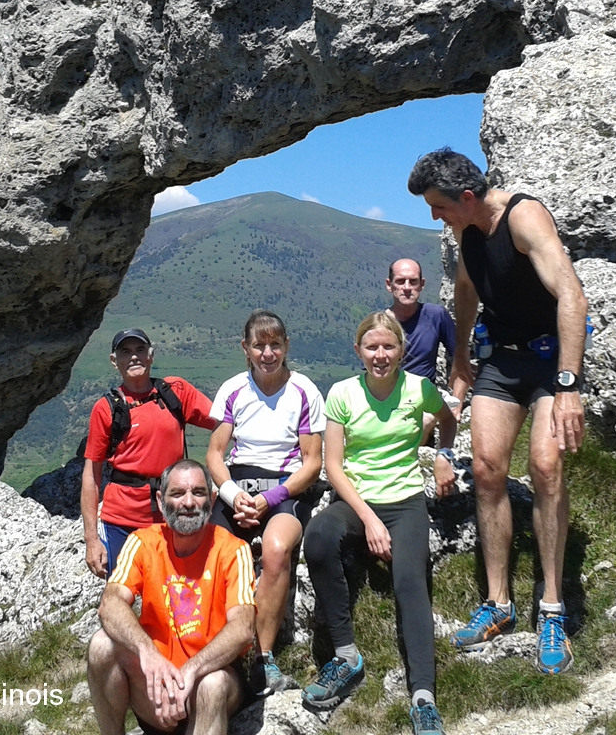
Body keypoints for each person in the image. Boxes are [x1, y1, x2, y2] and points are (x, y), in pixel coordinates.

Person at [407, 148, 588, 675]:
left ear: (467, 196)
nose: (435, 216)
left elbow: (571, 296)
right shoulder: (466, 232)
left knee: (546, 468)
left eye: (439, 206)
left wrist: (569, 386)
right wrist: (461, 355)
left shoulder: (523, 217)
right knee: (487, 470)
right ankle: (498, 602)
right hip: (502, 360)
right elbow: (466, 289)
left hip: (551, 361)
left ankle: (551, 608)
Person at [301, 311, 457, 735]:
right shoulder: (342, 394)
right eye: (372, 347)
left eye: (389, 346)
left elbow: (447, 418)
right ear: (359, 351)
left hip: (406, 502)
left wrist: (444, 455)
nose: (381, 355)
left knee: (410, 581)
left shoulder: (419, 389)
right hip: (358, 501)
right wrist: (370, 520)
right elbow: (334, 466)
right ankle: (346, 657)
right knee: (318, 537)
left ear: (401, 350)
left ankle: (423, 697)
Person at [87, 459, 256, 735]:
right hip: (155, 682)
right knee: (101, 645)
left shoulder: (234, 550)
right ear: (160, 500)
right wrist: (148, 654)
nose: (188, 502)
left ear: (212, 499)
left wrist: (191, 671)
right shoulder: (143, 542)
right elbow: (111, 603)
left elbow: (243, 627)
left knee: (212, 684)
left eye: (198, 493)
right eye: (177, 493)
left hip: (208, 682)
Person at [205, 310, 324, 696]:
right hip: (238, 487)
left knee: (275, 550)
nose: (268, 353)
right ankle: (214, 648)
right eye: (259, 345)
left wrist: (269, 498)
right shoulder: (233, 390)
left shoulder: (304, 390)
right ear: (245, 348)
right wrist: (232, 495)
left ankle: (263, 658)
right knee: (214, 555)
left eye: (275, 344)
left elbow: (312, 462)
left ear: (286, 345)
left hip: (285, 489)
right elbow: (215, 453)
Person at [81, 329, 220, 578]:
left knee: (176, 591)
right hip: (122, 520)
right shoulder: (106, 409)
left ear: (151, 355)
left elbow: (223, 423)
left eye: (140, 350)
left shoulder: (175, 392)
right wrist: (92, 540)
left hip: (173, 514)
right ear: (114, 361)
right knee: (122, 590)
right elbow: (91, 475)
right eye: (125, 352)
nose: (134, 357)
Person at [385, 257, 463, 432]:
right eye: (400, 281)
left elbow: (461, 360)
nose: (407, 287)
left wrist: (456, 403)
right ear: (389, 285)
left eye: (413, 281)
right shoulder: (380, 324)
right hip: (389, 398)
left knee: (424, 421)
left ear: (422, 284)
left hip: (424, 397)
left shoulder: (436, 316)